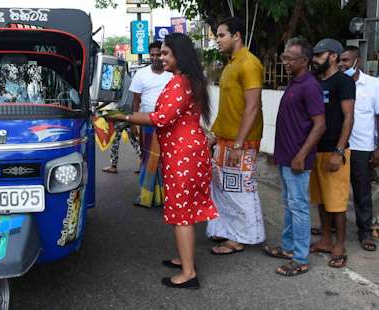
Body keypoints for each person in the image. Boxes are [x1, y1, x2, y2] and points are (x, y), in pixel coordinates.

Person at [107, 33, 218, 289]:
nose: (161, 58)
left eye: (166, 53)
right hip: (187, 151)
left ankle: (188, 273)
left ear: (180, 55)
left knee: (182, 213)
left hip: (183, 154)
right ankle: (184, 258)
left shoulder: (180, 83)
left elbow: (160, 118)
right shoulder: (187, 80)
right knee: (185, 208)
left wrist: (124, 117)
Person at [263, 37, 326, 276]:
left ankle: (300, 258)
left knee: (298, 208)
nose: (284, 61)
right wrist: (279, 155)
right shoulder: (295, 82)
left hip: (297, 159)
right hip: (286, 157)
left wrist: (300, 155)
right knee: (290, 205)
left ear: (305, 60)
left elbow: (320, 125)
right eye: (284, 57)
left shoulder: (310, 86)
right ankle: (288, 248)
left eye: (289, 58)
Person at [205, 17, 266, 254]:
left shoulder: (249, 64)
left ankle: (242, 238)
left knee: (240, 191)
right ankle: (227, 231)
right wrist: (214, 135)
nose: (217, 40)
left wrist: (239, 142)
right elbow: (228, 107)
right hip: (224, 139)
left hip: (241, 142)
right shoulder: (231, 64)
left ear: (236, 36)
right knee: (222, 189)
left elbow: (253, 107)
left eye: (221, 35)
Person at [309, 38, 355, 268]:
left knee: (337, 201)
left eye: (319, 55)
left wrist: (339, 150)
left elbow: (348, 117)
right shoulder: (316, 81)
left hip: (335, 150)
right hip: (316, 150)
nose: (315, 60)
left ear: (333, 56)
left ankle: (340, 244)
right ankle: (326, 239)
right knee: (320, 199)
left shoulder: (343, 82)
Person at [338, 46, 379, 252]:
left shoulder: (373, 85)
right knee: (337, 190)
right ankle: (335, 229)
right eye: (341, 61)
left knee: (362, 191)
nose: (343, 64)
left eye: (346, 60)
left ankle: (365, 232)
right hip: (340, 147)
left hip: (363, 148)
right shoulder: (338, 83)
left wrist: (378, 148)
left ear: (358, 61)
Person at [129, 41, 173, 207]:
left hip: (167, 124)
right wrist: (134, 123)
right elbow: (135, 101)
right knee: (148, 159)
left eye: (159, 54)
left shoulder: (172, 75)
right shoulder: (141, 74)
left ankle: (166, 195)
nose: (155, 58)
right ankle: (146, 196)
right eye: (152, 55)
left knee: (165, 159)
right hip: (146, 122)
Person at [102, 73, 142, 174]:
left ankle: (113, 165)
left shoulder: (118, 80)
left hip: (120, 114)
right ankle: (143, 163)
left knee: (115, 140)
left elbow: (114, 99)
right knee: (134, 140)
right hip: (129, 113)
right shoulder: (131, 80)